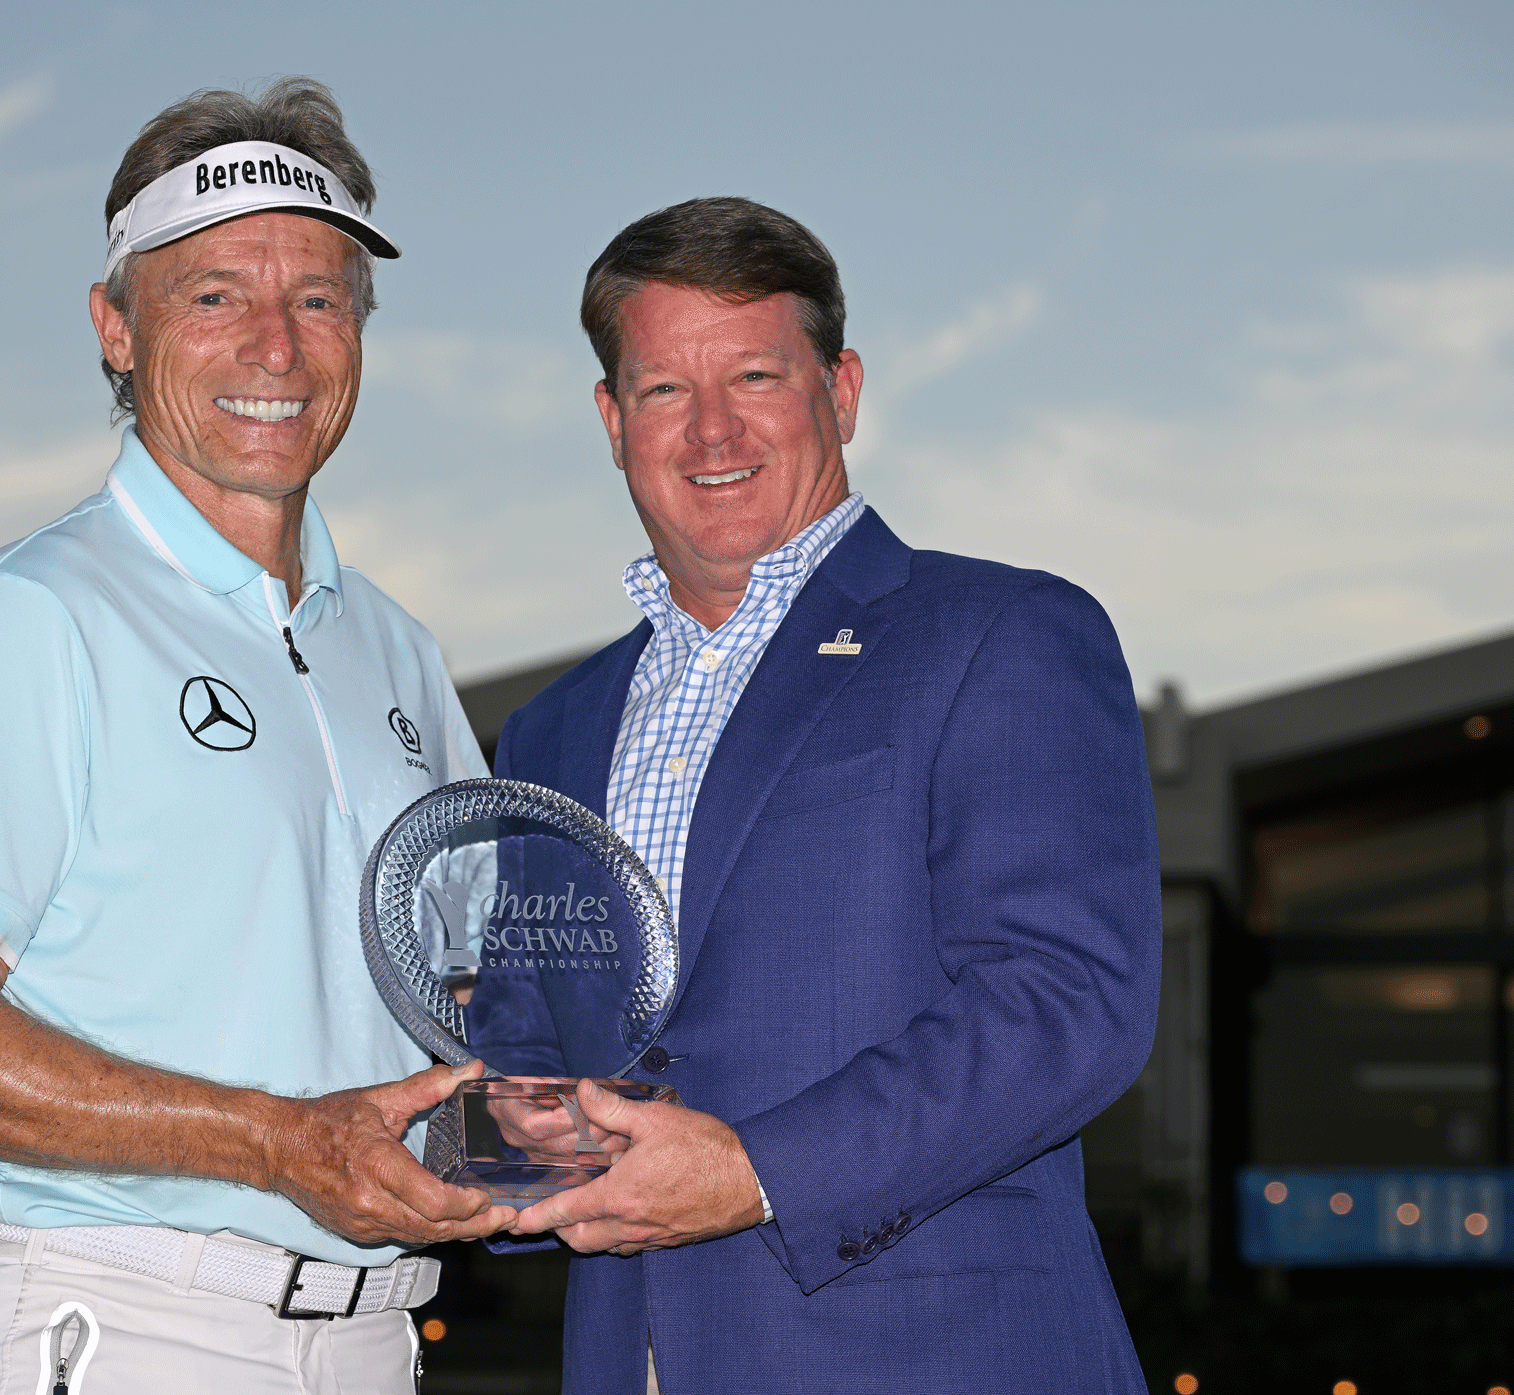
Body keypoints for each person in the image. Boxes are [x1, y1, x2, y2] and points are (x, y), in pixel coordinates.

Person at [0, 79, 513, 1395]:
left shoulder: (399, 650)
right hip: (110, 1323)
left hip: (377, 1343)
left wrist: (562, 1108)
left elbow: (467, 1009)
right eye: (215, 297)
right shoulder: (28, 615)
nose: (277, 345)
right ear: (115, 329)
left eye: (318, 298)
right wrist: (274, 1143)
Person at [469, 197, 1160, 1393]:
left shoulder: (1002, 635)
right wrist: (494, 1134)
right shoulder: (550, 731)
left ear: (839, 391)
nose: (712, 429)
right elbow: (524, 1051)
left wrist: (754, 1169)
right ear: (610, 417)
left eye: (753, 375)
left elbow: (1070, 1000)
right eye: (663, 390)